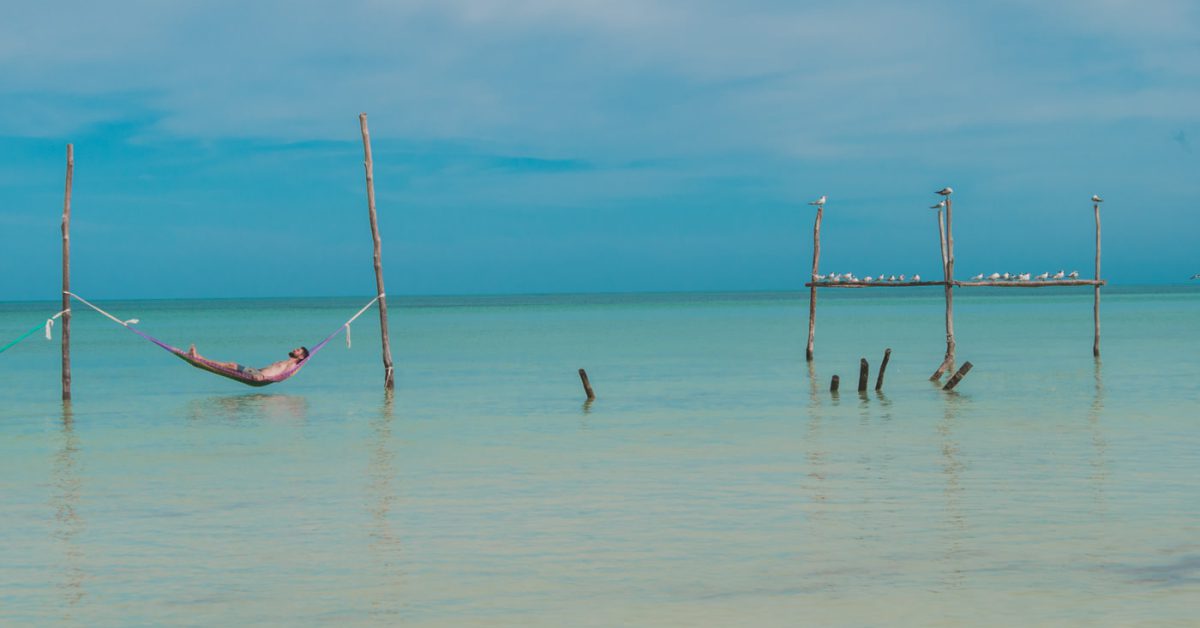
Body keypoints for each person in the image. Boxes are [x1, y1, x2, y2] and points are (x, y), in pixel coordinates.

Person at [187, 344, 309, 381]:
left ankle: (198, 358)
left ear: (301, 356)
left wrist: (263, 378)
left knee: (230, 366)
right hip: (256, 372)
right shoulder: (283, 361)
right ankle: (198, 358)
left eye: (298, 350)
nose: (295, 349)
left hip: (260, 378)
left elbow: (287, 375)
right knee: (231, 365)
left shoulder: (292, 365)